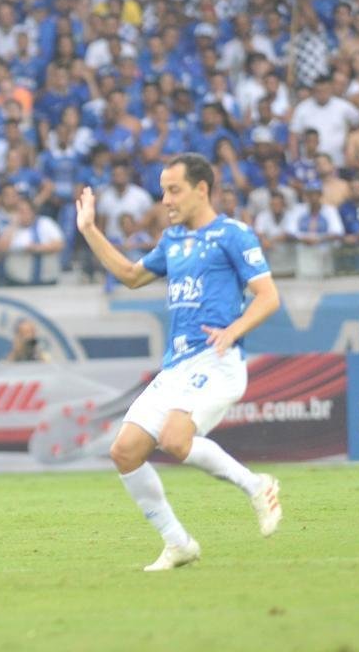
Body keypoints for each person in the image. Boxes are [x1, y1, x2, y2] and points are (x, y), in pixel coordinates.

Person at [75, 152, 283, 571]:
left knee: (174, 439)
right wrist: (89, 230)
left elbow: (268, 297)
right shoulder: (172, 240)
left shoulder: (233, 234)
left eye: (174, 190)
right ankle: (178, 543)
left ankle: (257, 485)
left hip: (217, 360)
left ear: (201, 189)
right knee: (125, 452)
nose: (165, 200)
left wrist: (233, 330)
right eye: (163, 191)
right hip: (177, 367)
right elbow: (131, 276)